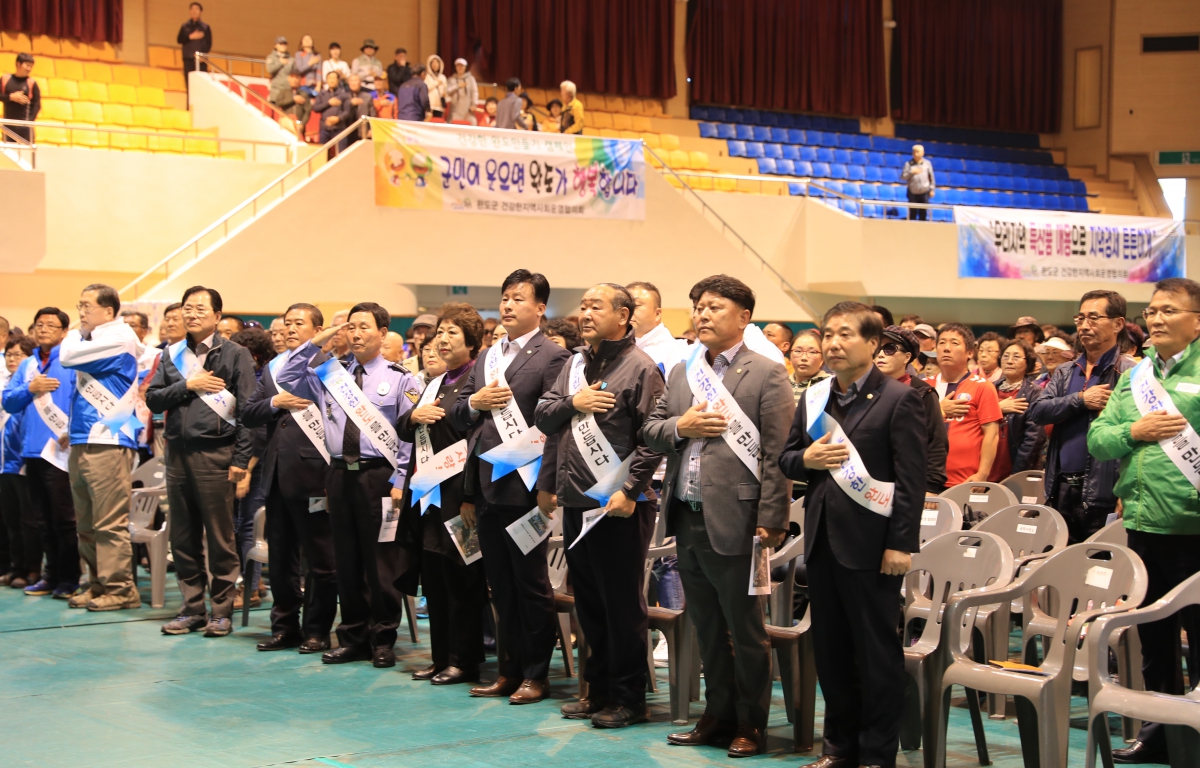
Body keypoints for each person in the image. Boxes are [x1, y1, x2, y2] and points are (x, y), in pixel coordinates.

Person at [642, 275, 794, 757]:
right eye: (698, 307)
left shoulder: (767, 372)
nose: (702, 315)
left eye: (714, 307)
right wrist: (679, 426)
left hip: (741, 521)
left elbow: (777, 455)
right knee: (705, 624)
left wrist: (772, 518)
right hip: (686, 516)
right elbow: (650, 429)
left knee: (745, 630)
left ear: (743, 317)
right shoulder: (684, 372)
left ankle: (751, 723)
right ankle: (716, 715)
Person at [779, 302, 926, 768]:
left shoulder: (899, 399)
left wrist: (900, 543)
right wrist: (806, 461)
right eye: (827, 334)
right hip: (823, 544)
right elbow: (785, 458)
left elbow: (911, 479)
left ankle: (876, 754)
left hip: (873, 547)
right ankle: (838, 749)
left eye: (845, 335)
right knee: (833, 655)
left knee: (875, 656)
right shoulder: (815, 397)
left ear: (873, 342)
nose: (833, 344)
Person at [535, 285, 664, 727]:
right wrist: (575, 401)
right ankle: (599, 690)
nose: (585, 314)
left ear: (624, 315)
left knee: (622, 605)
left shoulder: (642, 367)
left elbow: (653, 438)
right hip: (576, 501)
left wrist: (630, 489)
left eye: (596, 307)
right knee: (589, 601)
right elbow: (545, 415)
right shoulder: (573, 364)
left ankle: (629, 699)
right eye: (583, 306)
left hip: (618, 504)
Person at [1088, 277, 1200, 765]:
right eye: (1152, 310)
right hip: (1142, 524)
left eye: (1169, 310)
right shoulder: (1136, 377)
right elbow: (1098, 438)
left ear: (1196, 320)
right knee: (1153, 636)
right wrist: (1135, 430)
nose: (1155, 318)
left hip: (1193, 529)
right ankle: (1161, 728)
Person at [449, 269, 571, 704]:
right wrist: (473, 403)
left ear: (540, 307)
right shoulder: (487, 356)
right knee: (498, 585)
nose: (507, 305)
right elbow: (464, 416)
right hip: (486, 484)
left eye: (518, 298)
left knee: (530, 584)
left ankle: (536, 676)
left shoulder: (552, 356)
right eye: (504, 297)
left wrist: (546, 484)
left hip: (524, 486)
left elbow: (555, 426)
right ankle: (508, 670)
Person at [278, 302, 422, 668]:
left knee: (380, 563)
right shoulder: (332, 373)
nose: (356, 334)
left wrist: (401, 479)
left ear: (383, 332)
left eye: (364, 327)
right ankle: (352, 636)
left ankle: (383, 638)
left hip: (380, 476)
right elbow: (290, 373)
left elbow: (409, 436)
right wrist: (323, 339)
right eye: (351, 328)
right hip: (339, 474)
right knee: (346, 559)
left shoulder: (401, 378)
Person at [146, 286, 256, 637]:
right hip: (176, 454)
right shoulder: (171, 354)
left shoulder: (235, 353)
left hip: (217, 455)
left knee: (220, 538)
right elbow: (152, 399)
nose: (191, 315)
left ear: (217, 316)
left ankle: (221, 610)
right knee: (182, 536)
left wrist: (240, 460)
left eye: (199, 309)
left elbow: (248, 411)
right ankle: (191, 608)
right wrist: (188, 386)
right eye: (187, 309)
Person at [398, 304, 488, 685]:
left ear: (471, 343)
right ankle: (439, 657)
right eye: (441, 332)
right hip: (428, 495)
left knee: (461, 581)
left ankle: (463, 660)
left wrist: (471, 496)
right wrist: (413, 417)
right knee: (433, 579)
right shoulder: (436, 383)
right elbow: (406, 428)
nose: (443, 339)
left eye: (453, 332)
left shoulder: (476, 382)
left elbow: (479, 442)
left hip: (460, 496)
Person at [242, 303, 338, 654]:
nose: (291, 329)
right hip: (276, 475)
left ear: (317, 329)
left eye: (300, 323)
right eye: (287, 323)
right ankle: (284, 627)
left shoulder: (327, 366)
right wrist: (275, 403)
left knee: (320, 559)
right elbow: (249, 412)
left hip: (314, 473)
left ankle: (317, 630)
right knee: (281, 558)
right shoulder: (272, 367)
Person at [58, 285, 144, 611]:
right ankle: (97, 585)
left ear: (108, 311)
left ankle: (121, 590)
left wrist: (77, 331)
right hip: (83, 438)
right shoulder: (93, 339)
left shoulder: (119, 337)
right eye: (78, 306)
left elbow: (67, 357)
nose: (81, 312)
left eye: (86, 307)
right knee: (86, 523)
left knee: (109, 522)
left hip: (109, 438)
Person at [1028, 290, 1134, 543]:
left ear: (1118, 323)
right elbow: (1038, 411)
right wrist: (1081, 400)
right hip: (1060, 486)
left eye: (1094, 318)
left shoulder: (1130, 372)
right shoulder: (1066, 371)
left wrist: (1126, 492)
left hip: (1105, 490)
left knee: (1099, 566)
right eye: (1081, 318)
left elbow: (1135, 434)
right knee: (1059, 562)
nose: (1085, 326)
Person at [2, 307, 78, 599]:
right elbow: (9, 401)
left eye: (51, 325)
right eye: (39, 324)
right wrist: (30, 388)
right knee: (41, 520)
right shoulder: (28, 366)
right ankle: (50, 576)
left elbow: (81, 400)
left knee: (64, 519)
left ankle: (69, 579)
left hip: (59, 450)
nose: (43, 329)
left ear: (63, 332)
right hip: (30, 451)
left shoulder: (72, 361)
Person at [227, 327, 273, 610]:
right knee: (235, 526)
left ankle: (249, 588)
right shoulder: (239, 379)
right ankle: (252, 581)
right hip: (238, 462)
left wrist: (245, 470)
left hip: (257, 465)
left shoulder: (263, 380)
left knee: (248, 529)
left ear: (252, 355)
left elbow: (261, 434)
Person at [925, 324, 1002, 487]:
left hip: (964, 481)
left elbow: (991, 435)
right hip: (923, 478)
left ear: (970, 352)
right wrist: (940, 410)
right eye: (942, 343)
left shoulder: (983, 386)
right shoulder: (922, 386)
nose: (946, 348)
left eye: (954, 343)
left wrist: (982, 474)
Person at [875, 325, 947, 494]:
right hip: (868, 484)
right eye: (878, 348)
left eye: (890, 349)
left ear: (907, 357)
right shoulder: (864, 390)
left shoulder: (922, 393)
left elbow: (936, 442)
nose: (881, 354)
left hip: (908, 483)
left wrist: (931, 486)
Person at [1, 336, 39, 590]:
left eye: (18, 355)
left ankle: (32, 569)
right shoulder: (6, 387)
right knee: (10, 520)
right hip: (5, 464)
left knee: (30, 521)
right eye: (9, 355)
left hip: (26, 462)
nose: (13, 359)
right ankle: (15, 567)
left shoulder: (35, 387)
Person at [990, 339, 1045, 482]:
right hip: (986, 464)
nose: (1009, 361)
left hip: (1015, 465)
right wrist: (998, 409)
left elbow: (1033, 438)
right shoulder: (988, 389)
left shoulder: (1035, 393)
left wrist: (1016, 474)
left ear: (1028, 363)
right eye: (1006, 356)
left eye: (1016, 357)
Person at [627, 281, 689, 379]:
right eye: (625, 306)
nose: (627, 312)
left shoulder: (674, 352)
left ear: (657, 314)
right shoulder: (618, 348)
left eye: (635, 305)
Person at [2, 53, 41, 143]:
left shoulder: (32, 83)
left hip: (25, 128)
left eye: (31, 66)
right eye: (27, 65)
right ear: (18, 64)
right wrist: (11, 97)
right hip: (8, 126)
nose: (29, 69)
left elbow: (37, 105)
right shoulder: (5, 79)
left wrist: (28, 123)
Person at [176, 2, 212, 94]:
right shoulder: (185, 26)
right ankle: (189, 107)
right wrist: (190, 37)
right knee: (189, 85)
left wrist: (202, 56)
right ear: (189, 11)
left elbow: (209, 43)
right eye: (192, 9)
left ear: (201, 12)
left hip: (200, 60)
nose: (194, 11)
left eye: (197, 9)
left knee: (201, 85)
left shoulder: (205, 27)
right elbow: (179, 39)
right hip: (188, 59)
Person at [789, 328, 830, 402]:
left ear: (823, 358)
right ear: (790, 355)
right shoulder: (781, 383)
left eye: (812, 352)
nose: (804, 358)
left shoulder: (829, 384)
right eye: (798, 351)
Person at [313, 72, 351, 145]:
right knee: (322, 154)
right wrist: (328, 103)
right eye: (330, 78)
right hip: (325, 128)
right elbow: (316, 108)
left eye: (334, 78)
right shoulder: (322, 94)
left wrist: (338, 118)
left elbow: (347, 111)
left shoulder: (344, 94)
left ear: (338, 80)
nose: (332, 80)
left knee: (342, 154)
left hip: (339, 128)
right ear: (326, 80)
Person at [900, 144, 935, 221]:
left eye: (918, 152)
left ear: (923, 153)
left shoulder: (927, 163)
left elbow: (931, 177)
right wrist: (911, 172)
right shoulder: (908, 164)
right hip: (912, 192)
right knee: (913, 213)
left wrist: (932, 189)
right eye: (914, 152)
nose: (916, 154)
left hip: (924, 191)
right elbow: (903, 177)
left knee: (923, 213)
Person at [343, 74, 377, 146]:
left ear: (360, 82)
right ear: (348, 83)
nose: (354, 83)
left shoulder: (367, 96)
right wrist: (350, 103)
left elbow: (372, 114)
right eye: (351, 81)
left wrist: (372, 129)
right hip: (346, 130)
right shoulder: (344, 96)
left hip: (362, 131)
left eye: (356, 80)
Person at [277, 72, 313, 137]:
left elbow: (307, 111)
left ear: (300, 79)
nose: (294, 80)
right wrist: (293, 99)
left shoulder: (304, 94)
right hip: (286, 123)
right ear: (288, 79)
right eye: (292, 77)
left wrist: (302, 123)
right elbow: (278, 103)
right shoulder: (283, 92)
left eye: (296, 77)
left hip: (299, 125)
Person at [446, 58, 477, 124]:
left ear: (465, 67)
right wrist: (457, 86)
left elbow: (474, 92)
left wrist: (473, 104)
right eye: (458, 65)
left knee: (473, 122)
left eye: (462, 66)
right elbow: (448, 91)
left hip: (467, 109)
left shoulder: (471, 79)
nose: (460, 67)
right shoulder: (451, 79)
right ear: (455, 67)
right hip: (455, 110)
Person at [266, 37, 293, 107]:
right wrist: (280, 63)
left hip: (287, 91)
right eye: (281, 43)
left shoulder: (291, 59)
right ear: (275, 45)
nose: (283, 45)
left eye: (285, 44)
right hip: (276, 91)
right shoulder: (271, 57)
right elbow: (270, 70)